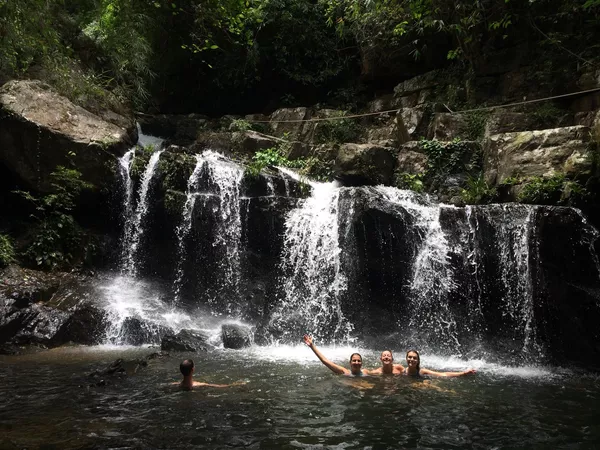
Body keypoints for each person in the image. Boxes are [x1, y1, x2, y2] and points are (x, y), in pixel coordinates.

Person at [303, 334, 369, 376]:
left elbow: (376, 371)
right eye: (354, 360)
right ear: (350, 363)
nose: (356, 362)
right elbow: (324, 361)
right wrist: (312, 346)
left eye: (358, 361)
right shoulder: (345, 372)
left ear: (361, 363)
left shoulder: (366, 372)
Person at [404, 350, 476, 377]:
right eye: (409, 357)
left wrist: (463, 373)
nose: (412, 359)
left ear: (418, 361)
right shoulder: (402, 370)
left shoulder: (422, 371)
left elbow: (443, 374)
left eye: (414, 358)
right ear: (406, 358)